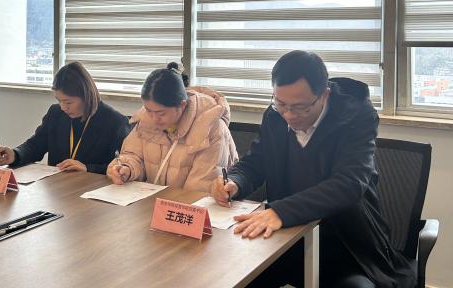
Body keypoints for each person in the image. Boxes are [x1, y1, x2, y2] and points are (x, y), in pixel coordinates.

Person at [210, 50, 415, 288]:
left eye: (300, 107)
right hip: (286, 237)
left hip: (344, 240)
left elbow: (350, 183)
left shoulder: (356, 117)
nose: (289, 115)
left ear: (324, 95)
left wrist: (281, 212)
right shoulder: (275, 115)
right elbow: (257, 161)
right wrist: (234, 180)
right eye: (281, 104)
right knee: (230, 274)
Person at [106, 62, 238, 192]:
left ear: (182, 105)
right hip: (154, 201)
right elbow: (133, 155)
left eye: (161, 113)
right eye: (148, 110)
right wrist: (127, 168)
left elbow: (200, 188)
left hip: (188, 203)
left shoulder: (211, 127)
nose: (154, 119)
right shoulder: (146, 120)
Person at [0, 62, 130, 174]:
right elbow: (35, 145)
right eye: (59, 101)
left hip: (92, 192)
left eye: (68, 102)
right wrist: (15, 155)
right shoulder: (56, 113)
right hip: (57, 189)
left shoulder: (115, 122)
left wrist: (87, 168)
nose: (63, 107)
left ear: (86, 96)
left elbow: (120, 167)